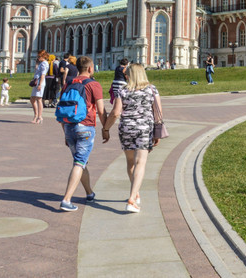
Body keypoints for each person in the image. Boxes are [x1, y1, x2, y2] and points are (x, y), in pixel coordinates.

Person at [103, 63, 160, 213]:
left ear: (129, 75)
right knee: (140, 163)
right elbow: (158, 112)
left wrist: (106, 128)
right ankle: (132, 199)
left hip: (126, 129)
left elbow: (115, 113)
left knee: (130, 162)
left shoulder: (122, 90)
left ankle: (135, 193)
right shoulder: (152, 90)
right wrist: (158, 132)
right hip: (144, 129)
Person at [59, 56, 105, 212]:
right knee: (79, 162)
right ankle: (66, 200)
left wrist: (65, 132)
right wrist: (105, 128)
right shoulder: (94, 84)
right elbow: (101, 110)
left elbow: (63, 108)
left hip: (69, 127)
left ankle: (89, 193)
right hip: (85, 127)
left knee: (81, 161)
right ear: (91, 68)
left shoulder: (68, 83)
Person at [30, 49, 49, 124]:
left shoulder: (44, 63)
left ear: (43, 56)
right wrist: (37, 63)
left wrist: (40, 84)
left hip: (40, 82)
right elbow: (36, 71)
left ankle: (39, 116)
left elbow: (43, 74)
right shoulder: (41, 63)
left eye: (39, 56)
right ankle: (36, 115)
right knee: (32, 99)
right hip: (36, 81)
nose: (38, 57)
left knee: (39, 99)